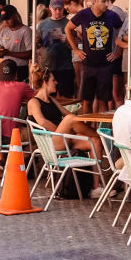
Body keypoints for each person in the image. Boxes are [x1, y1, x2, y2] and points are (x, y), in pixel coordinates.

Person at [27, 65, 106, 196]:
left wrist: (75, 124)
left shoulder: (51, 100)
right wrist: (62, 130)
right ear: (45, 82)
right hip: (50, 141)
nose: (56, 83)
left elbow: (68, 113)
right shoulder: (33, 102)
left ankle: (95, 187)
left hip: (63, 138)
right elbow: (42, 122)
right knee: (69, 119)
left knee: (95, 141)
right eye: (53, 80)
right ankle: (102, 136)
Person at [67, 0, 123, 114]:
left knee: (103, 101)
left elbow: (122, 31)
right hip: (88, 65)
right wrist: (75, 49)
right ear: (95, 1)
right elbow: (68, 28)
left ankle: (101, 132)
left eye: (108, 1)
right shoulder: (84, 14)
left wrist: (117, 52)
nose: (107, 4)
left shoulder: (112, 15)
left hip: (105, 65)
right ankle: (87, 130)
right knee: (87, 101)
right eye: (104, 1)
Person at [36, 0, 76, 97]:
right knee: (48, 95)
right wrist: (38, 41)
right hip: (48, 66)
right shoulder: (42, 24)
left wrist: (67, 40)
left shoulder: (69, 24)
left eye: (60, 9)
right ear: (50, 8)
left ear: (64, 8)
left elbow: (75, 46)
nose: (57, 12)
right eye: (55, 9)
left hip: (65, 66)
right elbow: (38, 45)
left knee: (66, 96)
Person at [0, 5, 34, 79]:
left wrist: (9, 53)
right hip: (5, 67)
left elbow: (30, 53)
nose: (6, 22)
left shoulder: (26, 31)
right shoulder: (4, 31)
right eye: (4, 20)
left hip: (20, 68)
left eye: (8, 19)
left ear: (15, 15)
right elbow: (0, 47)